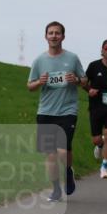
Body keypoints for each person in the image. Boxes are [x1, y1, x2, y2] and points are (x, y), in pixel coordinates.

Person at [28, 22, 87, 201]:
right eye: (50, 33)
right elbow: (29, 86)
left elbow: (84, 81)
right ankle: (55, 189)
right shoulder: (39, 60)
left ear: (63, 36)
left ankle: (68, 172)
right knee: (50, 154)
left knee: (62, 150)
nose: (54, 36)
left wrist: (75, 80)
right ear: (46, 36)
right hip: (46, 111)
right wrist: (40, 82)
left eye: (57, 33)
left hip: (67, 110)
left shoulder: (72, 58)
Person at [85, 39, 107, 178]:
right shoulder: (94, 66)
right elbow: (84, 81)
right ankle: (99, 145)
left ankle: (104, 167)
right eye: (106, 48)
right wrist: (89, 89)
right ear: (102, 50)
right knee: (97, 139)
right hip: (96, 107)